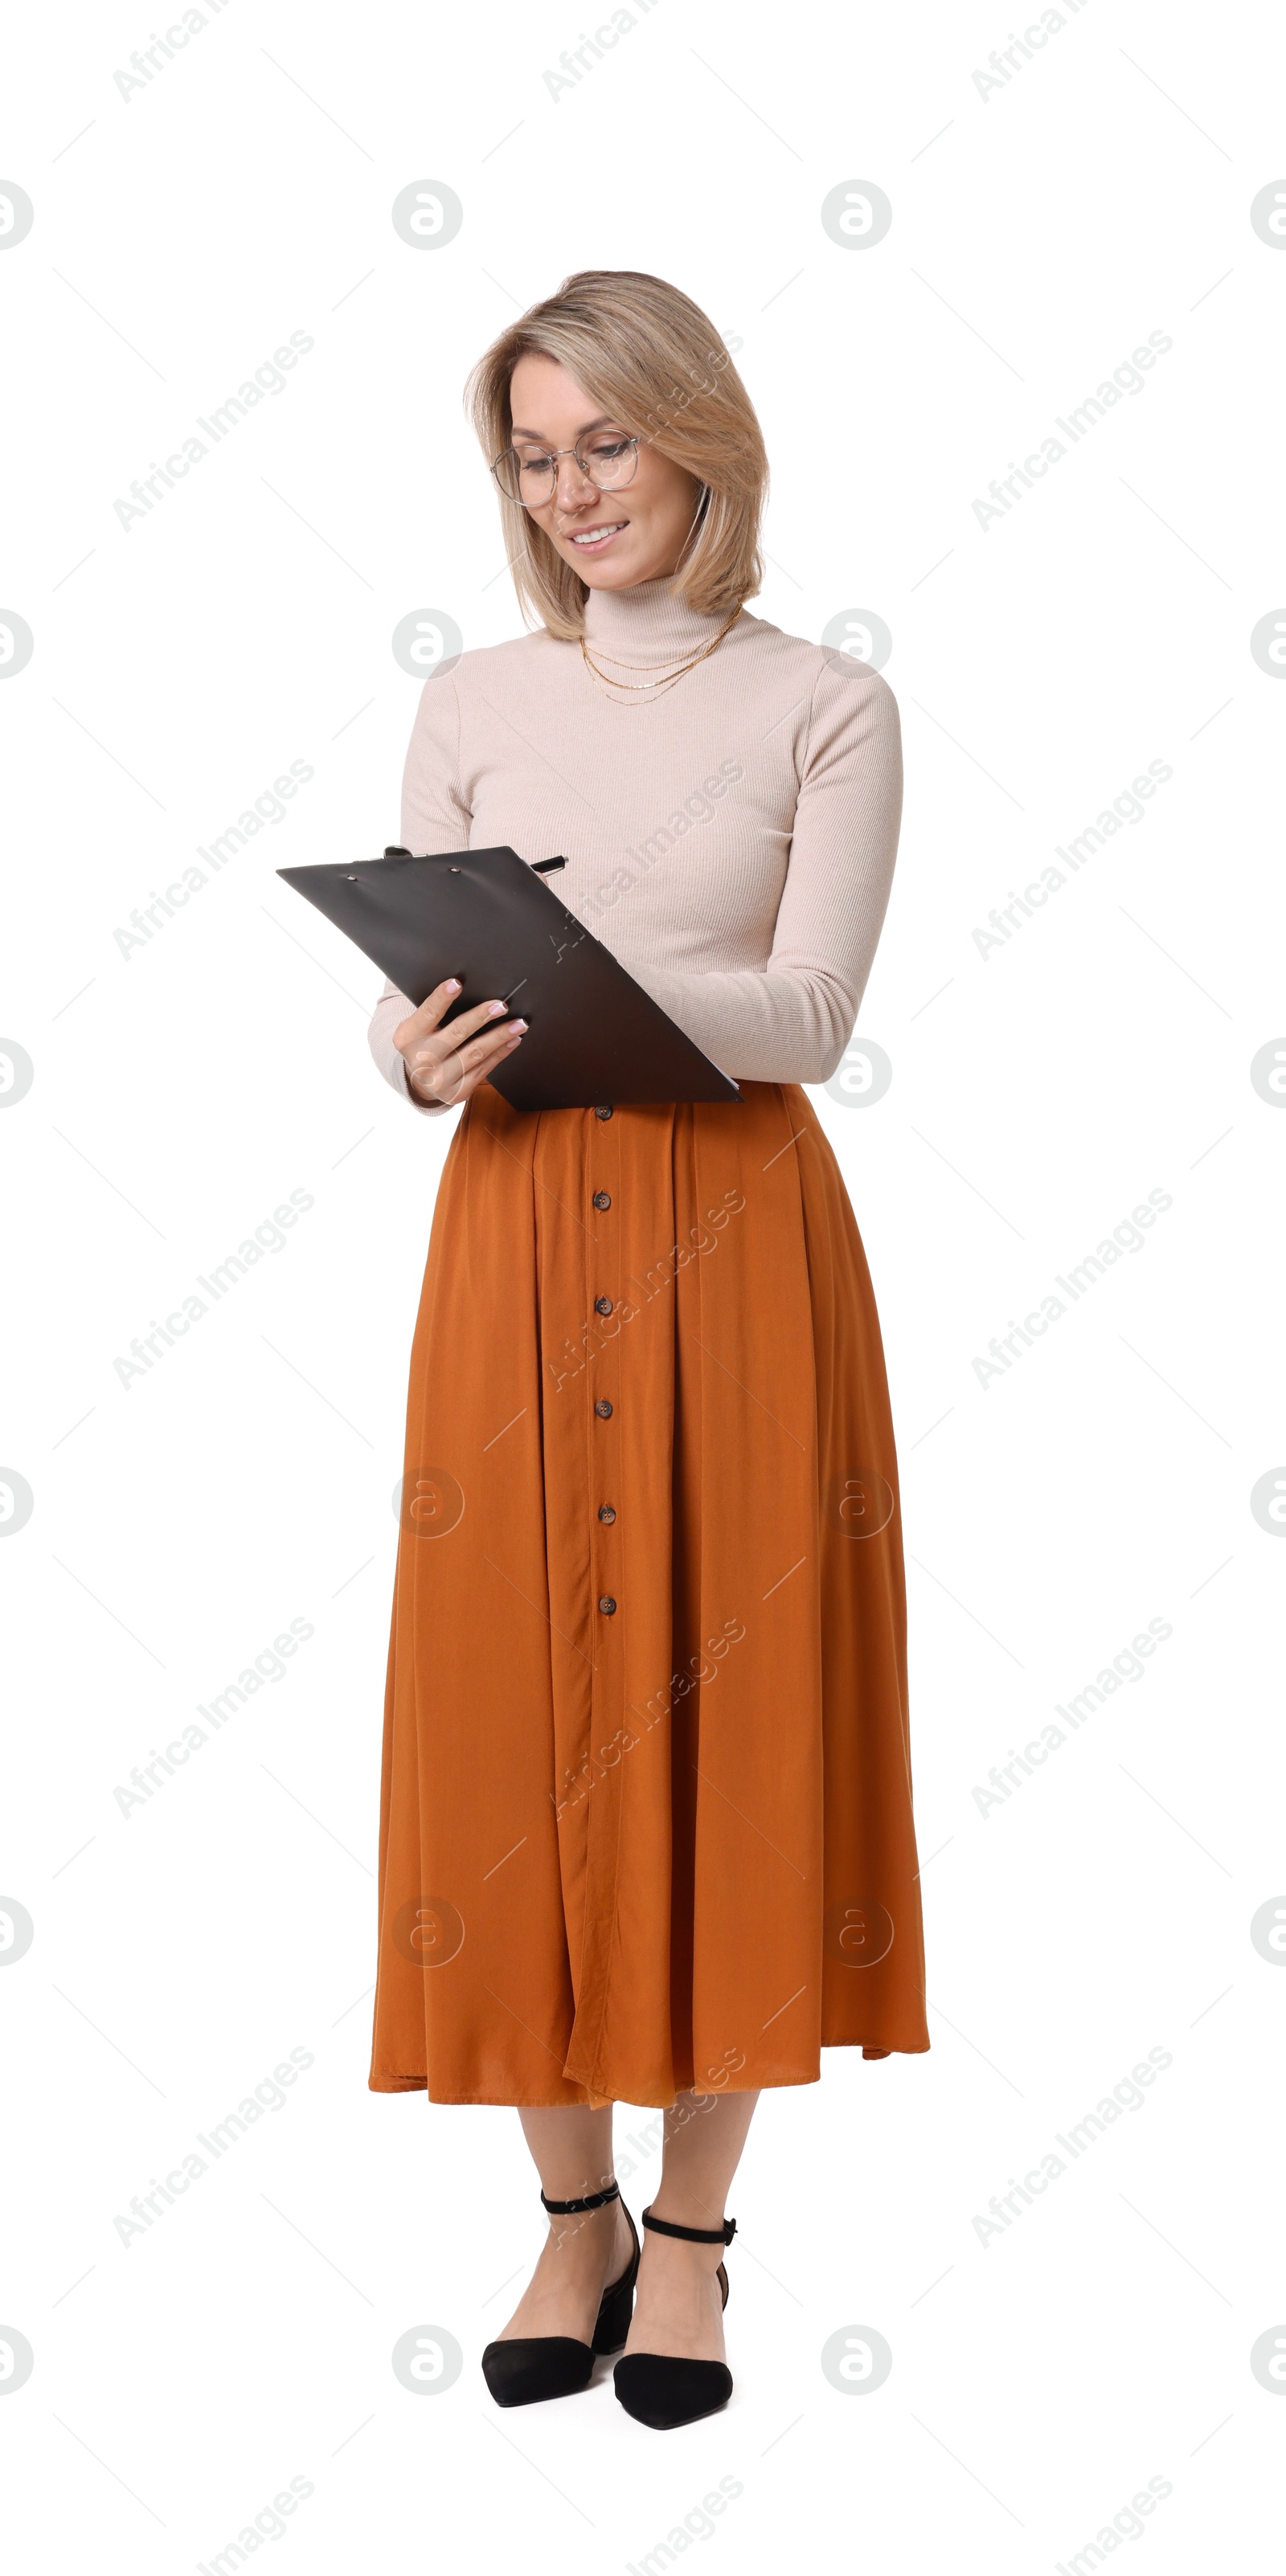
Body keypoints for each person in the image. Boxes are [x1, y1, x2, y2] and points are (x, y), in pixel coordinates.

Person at [366, 268, 928, 2431]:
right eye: (533, 453)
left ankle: (692, 2235)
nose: (571, 488)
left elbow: (808, 1020)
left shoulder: (827, 704)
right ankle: (566, 2208)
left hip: (732, 1242)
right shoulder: (476, 697)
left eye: (606, 439)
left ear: (699, 433)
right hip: (508, 1238)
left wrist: (585, 978)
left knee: (731, 1702)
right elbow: (424, 991)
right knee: (520, 1710)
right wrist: (424, 1049)